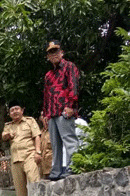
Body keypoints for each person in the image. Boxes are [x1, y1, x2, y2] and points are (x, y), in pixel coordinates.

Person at [42, 40, 80, 181]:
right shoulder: (48, 75)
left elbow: (73, 87)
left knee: (69, 139)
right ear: (48, 56)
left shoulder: (69, 66)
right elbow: (46, 95)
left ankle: (72, 166)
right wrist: (45, 114)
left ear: (62, 52)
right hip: (52, 112)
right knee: (55, 144)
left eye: (56, 51)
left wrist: (71, 106)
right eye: (51, 52)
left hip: (65, 110)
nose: (54, 54)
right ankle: (56, 170)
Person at [1, 100, 42, 196]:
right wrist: (6, 135)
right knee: (19, 186)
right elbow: (4, 136)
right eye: (12, 110)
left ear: (22, 110)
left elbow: (37, 136)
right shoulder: (8, 126)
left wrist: (38, 152)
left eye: (16, 109)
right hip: (15, 159)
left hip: (29, 155)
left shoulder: (30, 121)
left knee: (33, 180)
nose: (14, 112)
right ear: (9, 114)